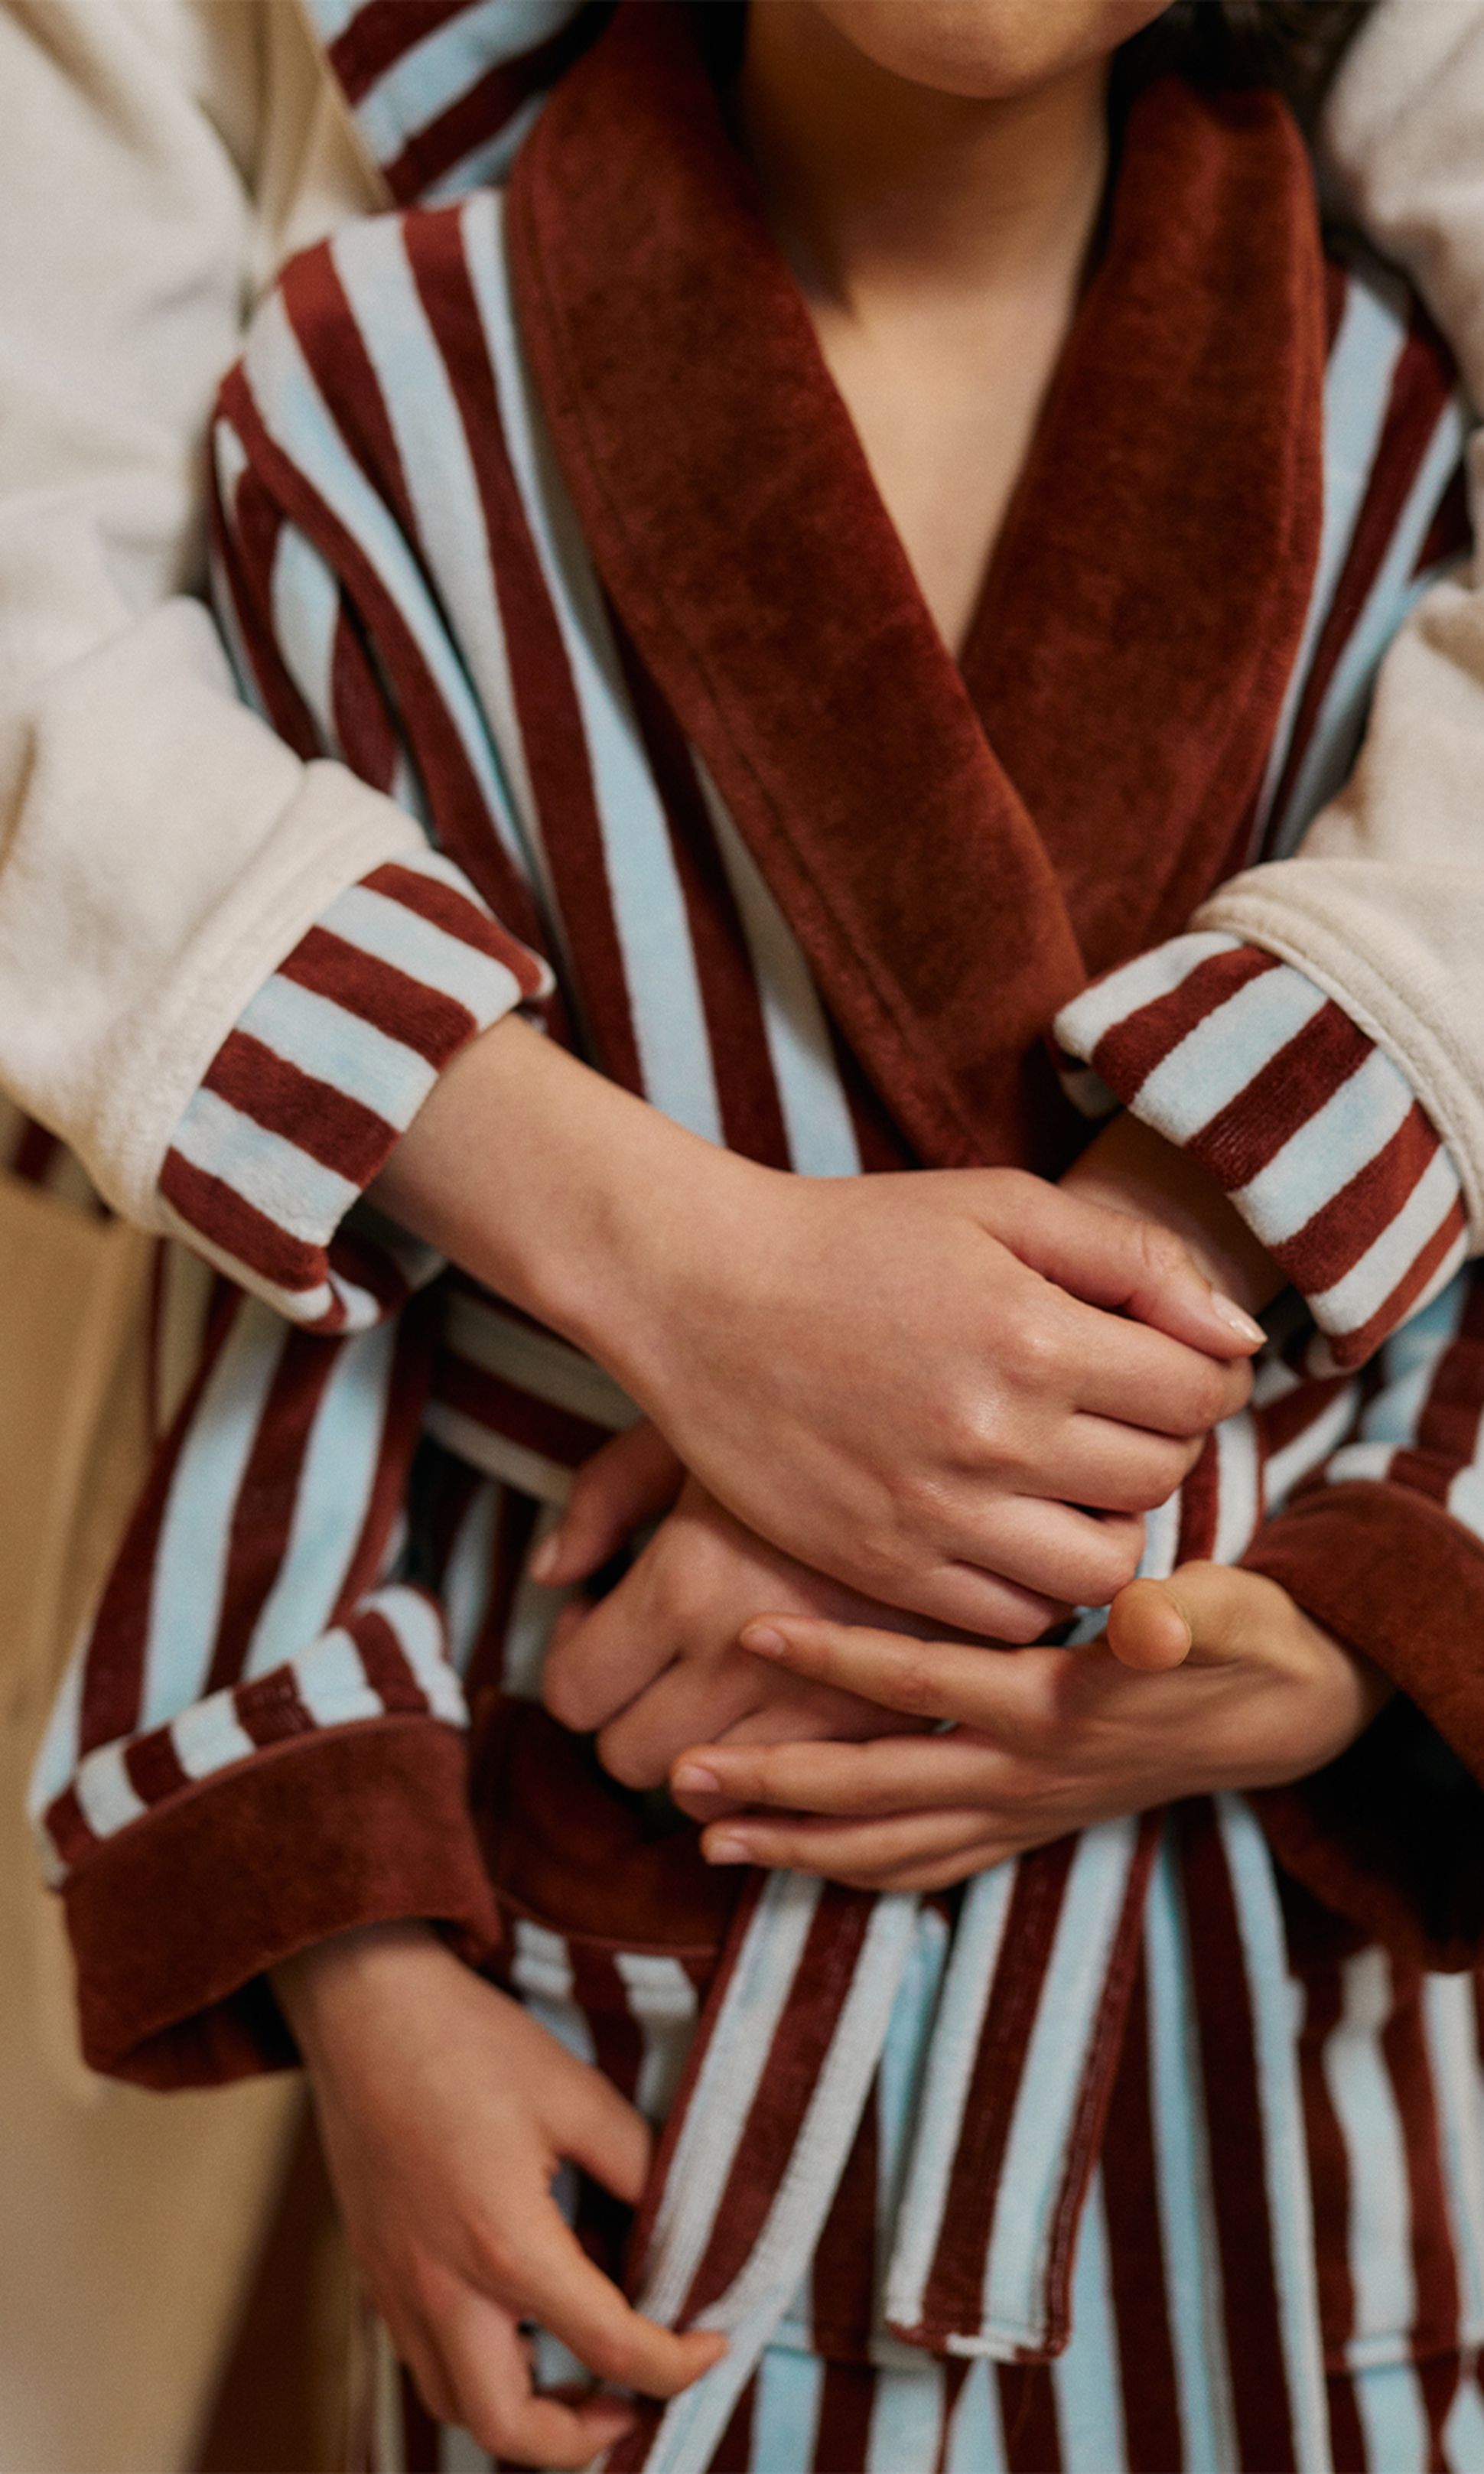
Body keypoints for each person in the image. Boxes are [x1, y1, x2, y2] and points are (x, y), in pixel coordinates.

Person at [21, 2, 1484, 2469]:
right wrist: (371, 1975)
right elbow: (270, 1228)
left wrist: (1337, 1653)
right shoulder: (382, 394)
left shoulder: (1392, 424)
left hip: (1238, 2027)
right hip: (629, 2040)